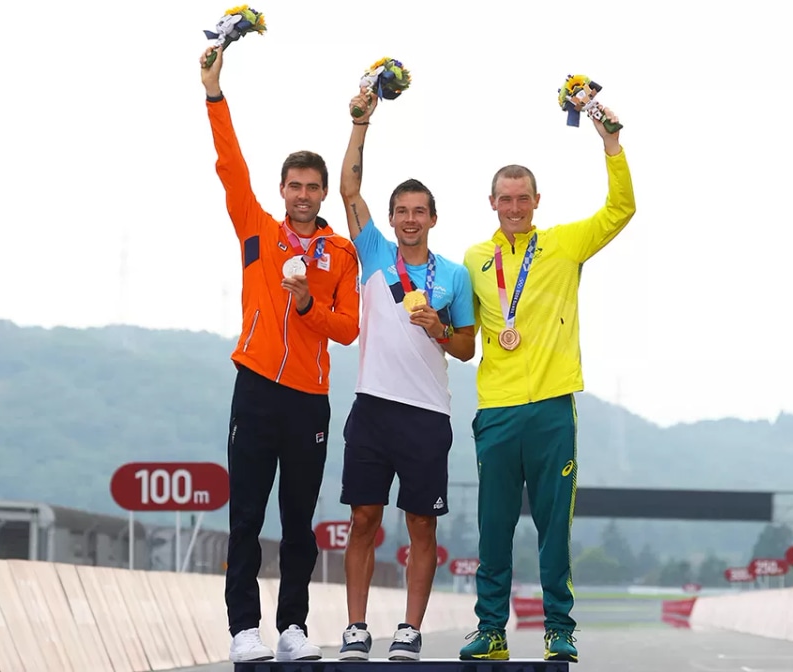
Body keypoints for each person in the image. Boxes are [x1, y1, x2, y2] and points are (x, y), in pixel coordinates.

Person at [458, 102, 636, 664]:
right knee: (494, 531)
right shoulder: (474, 259)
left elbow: (620, 209)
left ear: (538, 202)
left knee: (553, 529)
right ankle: (491, 630)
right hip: (498, 411)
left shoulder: (563, 244)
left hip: (554, 408)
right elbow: (464, 328)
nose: (514, 208)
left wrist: (610, 144)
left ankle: (560, 628)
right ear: (492, 203)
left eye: (523, 199)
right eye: (504, 200)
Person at [199, 45, 361, 663]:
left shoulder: (339, 254)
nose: (302, 195)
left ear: (322, 194)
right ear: (281, 190)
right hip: (257, 387)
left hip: (309, 399)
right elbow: (228, 162)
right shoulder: (256, 228)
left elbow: (346, 328)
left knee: (299, 520)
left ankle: (292, 626)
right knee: (246, 515)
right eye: (293, 185)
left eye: (312, 188)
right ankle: (245, 629)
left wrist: (303, 308)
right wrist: (214, 91)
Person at [334, 86, 477, 661]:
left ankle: (410, 630)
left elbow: (467, 348)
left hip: (427, 413)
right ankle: (356, 628)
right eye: (402, 211)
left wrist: (438, 329)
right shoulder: (371, 252)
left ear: (433, 218)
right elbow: (348, 188)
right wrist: (362, 123)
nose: (410, 219)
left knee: (421, 524)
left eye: (420, 211)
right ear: (391, 219)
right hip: (372, 406)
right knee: (363, 517)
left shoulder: (456, 276)